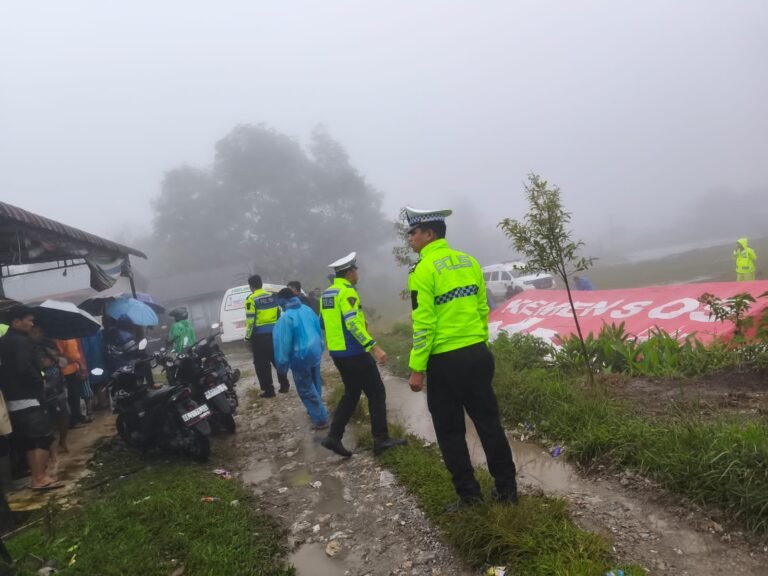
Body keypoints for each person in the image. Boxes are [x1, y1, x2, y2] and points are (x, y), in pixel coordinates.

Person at [403, 206, 518, 510]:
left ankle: (470, 499)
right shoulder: (469, 262)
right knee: (489, 424)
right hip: (478, 354)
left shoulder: (422, 271)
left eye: (413, 232)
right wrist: (477, 342)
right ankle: (508, 492)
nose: (409, 239)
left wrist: (417, 369)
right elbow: (483, 310)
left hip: (445, 361)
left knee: (451, 432)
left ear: (430, 233)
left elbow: (424, 323)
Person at [319, 252, 405, 458]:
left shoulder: (327, 294)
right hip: (355, 353)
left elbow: (324, 323)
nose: (358, 273)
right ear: (349, 273)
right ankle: (381, 439)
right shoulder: (348, 292)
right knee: (376, 392)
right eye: (356, 270)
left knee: (352, 393)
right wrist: (374, 348)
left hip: (339, 353)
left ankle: (333, 436)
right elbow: (351, 323)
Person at [0, 306, 59, 490]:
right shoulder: (21, 341)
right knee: (41, 437)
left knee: (28, 440)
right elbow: (24, 367)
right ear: (16, 322)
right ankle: (39, 477)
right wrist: (39, 383)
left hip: (10, 397)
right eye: (29, 320)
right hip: (27, 396)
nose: (32, 323)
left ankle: (37, 476)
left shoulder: (4, 341)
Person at [273, 288, 329, 430]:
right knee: (315, 383)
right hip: (315, 351)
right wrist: (321, 347)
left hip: (300, 357)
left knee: (305, 388)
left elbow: (283, 344)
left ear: (283, 300)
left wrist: (282, 366)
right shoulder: (307, 310)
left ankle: (321, 419)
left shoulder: (286, 318)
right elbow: (318, 329)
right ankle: (315, 411)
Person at [244, 274, 290, 398]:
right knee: (277, 359)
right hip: (274, 333)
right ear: (261, 283)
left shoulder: (251, 299)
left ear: (251, 286)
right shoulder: (272, 296)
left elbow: (250, 320)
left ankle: (269, 390)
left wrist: (247, 337)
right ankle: (284, 384)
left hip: (259, 337)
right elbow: (278, 313)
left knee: (261, 364)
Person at [55, 338, 90, 427]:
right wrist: (78, 362)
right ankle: (73, 421)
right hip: (66, 371)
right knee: (71, 398)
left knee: (76, 396)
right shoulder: (59, 338)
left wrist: (78, 363)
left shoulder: (71, 337)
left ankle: (78, 416)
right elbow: (61, 354)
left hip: (74, 368)